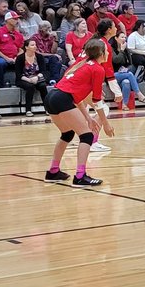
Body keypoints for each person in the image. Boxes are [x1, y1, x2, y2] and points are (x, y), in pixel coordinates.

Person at [43, 37, 113, 187]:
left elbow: (75, 97)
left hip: (51, 97)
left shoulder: (80, 65)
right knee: (87, 136)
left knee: (67, 134)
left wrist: (88, 117)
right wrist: (105, 124)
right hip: (62, 98)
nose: (108, 52)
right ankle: (80, 176)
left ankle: (53, 171)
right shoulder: (97, 69)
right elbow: (97, 101)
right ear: (101, 53)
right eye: (106, 50)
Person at [14, 41, 50, 115]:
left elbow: (43, 71)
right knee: (30, 87)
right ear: (26, 47)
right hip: (24, 79)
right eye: (32, 45)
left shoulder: (39, 57)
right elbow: (18, 74)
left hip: (37, 78)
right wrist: (29, 80)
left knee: (43, 85)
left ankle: (48, 109)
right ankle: (28, 110)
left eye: (35, 45)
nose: (35, 46)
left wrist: (36, 77)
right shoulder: (20, 58)